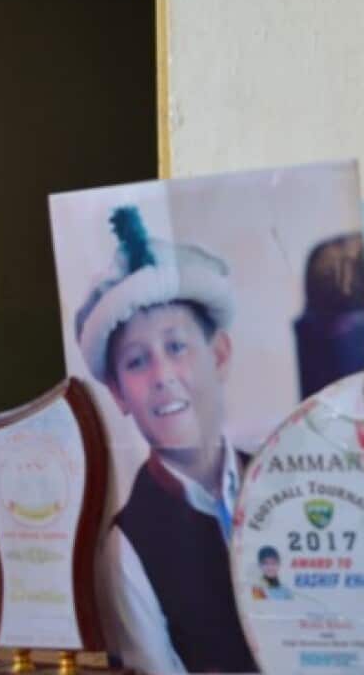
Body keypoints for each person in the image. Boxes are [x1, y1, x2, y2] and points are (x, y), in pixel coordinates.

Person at [76, 206, 257, 673]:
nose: (163, 377)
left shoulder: (280, 479)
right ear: (117, 392)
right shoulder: (128, 547)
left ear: (218, 355)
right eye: (137, 361)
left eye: (177, 347)